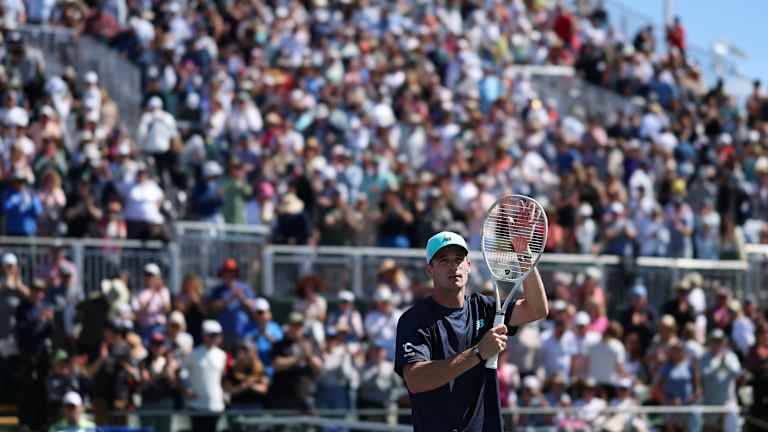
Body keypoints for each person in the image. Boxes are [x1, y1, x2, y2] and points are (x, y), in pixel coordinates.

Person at [395, 230, 548, 431]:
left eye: (459, 259)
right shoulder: (413, 320)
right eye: (443, 260)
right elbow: (416, 380)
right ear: (430, 270)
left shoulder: (485, 307)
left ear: (468, 265)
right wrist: (478, 353)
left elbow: (537, 309)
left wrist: (523, 253)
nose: (453, 266)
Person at [184, 320, 227, 432]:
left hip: (216, 404)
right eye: (211, 335)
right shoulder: (194, 353)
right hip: (196, 404)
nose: (214, 338)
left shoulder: (222, 355)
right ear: (204, 336)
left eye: (216, 335)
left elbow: (222, 378)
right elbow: (183, 373)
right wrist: (186, 388)